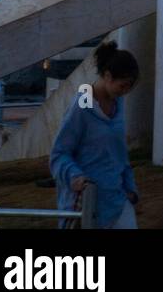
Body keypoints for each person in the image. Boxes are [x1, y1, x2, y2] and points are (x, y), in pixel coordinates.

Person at [50, 40, 139, 229]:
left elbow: (120, 153)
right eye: (123, 86)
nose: (125, 92)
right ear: (107, 76)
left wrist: (130, 190)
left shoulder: (118, 104)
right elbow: (59, 154)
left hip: (117, 199)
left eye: (129, 87)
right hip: (86, 203)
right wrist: (75, 177)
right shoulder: (82, 106)